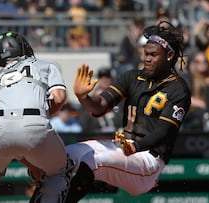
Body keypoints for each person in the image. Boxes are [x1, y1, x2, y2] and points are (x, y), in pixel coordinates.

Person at [63, 21, 191, 202]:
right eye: (145, 53)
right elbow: (100, 106)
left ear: (169, 55)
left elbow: (163, 132)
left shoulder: (179, 89)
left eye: (153, 55)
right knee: (63, 157)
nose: (147, 58)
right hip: (123, 149)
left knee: (92, 161)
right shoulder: (132, 77)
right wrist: (84, 97)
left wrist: (135, 147)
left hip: (149, 160)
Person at [0, 31, 73, 203]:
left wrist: (32, 165)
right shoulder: (44, 65)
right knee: (60, 170)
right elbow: (60, 97)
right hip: (35, 124)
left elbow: (11, 135)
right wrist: (39, 117)